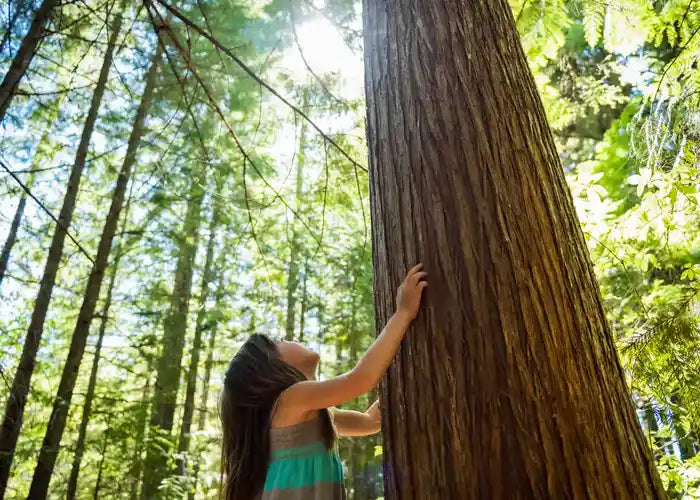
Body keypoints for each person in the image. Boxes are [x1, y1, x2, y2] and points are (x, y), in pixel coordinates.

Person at [220, 263, 428, 500]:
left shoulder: (316, 415)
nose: (289, 338)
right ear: (270, 369)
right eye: (279, 340)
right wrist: (403, 312)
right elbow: (359, 380)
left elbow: (371, 421)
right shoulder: (290, 399)